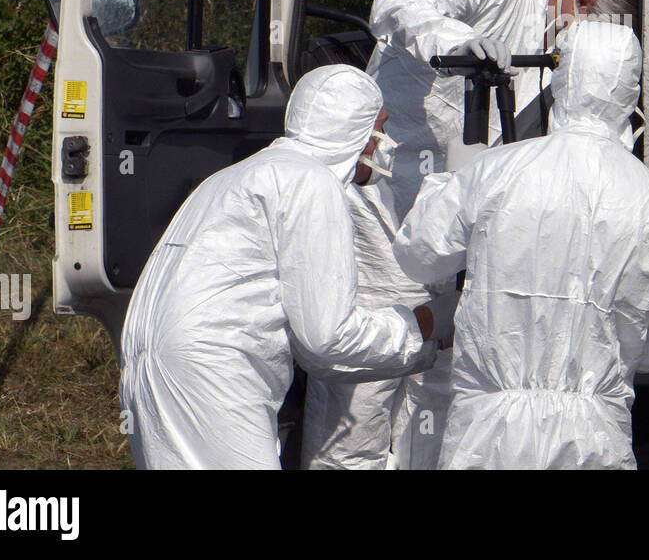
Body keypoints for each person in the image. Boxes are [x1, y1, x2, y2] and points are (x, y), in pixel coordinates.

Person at [365, 0, 638, 467]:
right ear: (582, 5)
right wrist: (452, 39)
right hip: (388, 192)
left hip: (460, 215)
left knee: (445, 380)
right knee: (370, 385)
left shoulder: (561, 39)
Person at [392, 21, 649, 469]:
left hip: (488, 434)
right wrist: (624, 354)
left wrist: (451, 178)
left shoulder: (496, 172)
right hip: (594, 433)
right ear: (630, 91)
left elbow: (416, 256)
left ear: (559, 80)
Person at [119, 65, 441, 470]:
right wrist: (424, 328)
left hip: (149, 358)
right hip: (212, 367)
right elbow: (327, 341)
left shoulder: (239, 175)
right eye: (379, 129)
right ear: (353, 130)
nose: (383, 146)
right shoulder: (311, 181)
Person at [298, 114, 455, 469]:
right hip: (371, 265)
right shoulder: (360, 111)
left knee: (433, 421)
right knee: (353, 420)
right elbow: (331, 346)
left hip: (441, 264)